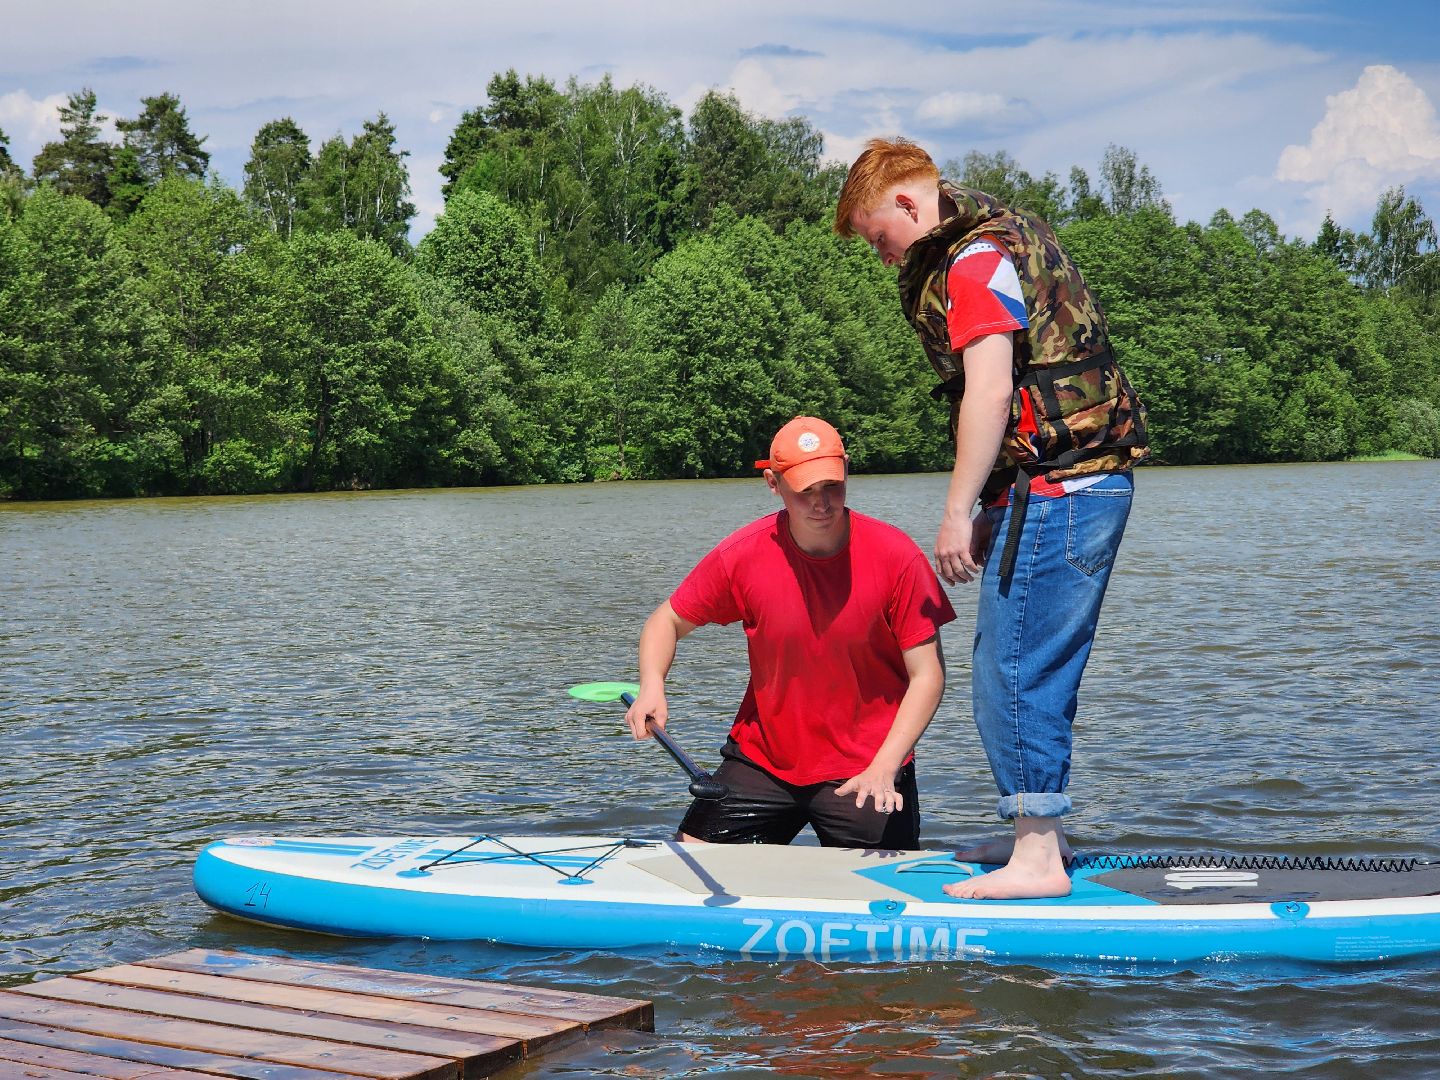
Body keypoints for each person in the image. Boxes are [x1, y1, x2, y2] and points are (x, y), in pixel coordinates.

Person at [834, 138, 1149, 898]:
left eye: (881, 239)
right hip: (1057, 484)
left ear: (911, 204)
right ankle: (1034, 834)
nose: (884, 259)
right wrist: (998, 504)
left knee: (1015, 669)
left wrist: (955, 511)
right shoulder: (997, 241)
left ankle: (1037, 857)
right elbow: (1033, 402)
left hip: (1065, 491)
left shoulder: (973, 262)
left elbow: (991, 392)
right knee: (1010, 662)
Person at [624, 416, 955, 850]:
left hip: (866, 765)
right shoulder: (742, 555)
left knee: (883, 892)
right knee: (690, 859)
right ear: (773, 483)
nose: (822, 503)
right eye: (805, 491)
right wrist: (652, 686)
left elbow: (928, 676)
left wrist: (886, 764)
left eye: (832, 486)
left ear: (847, 470)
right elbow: (664, 621)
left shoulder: (897, 558)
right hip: (764, 760)